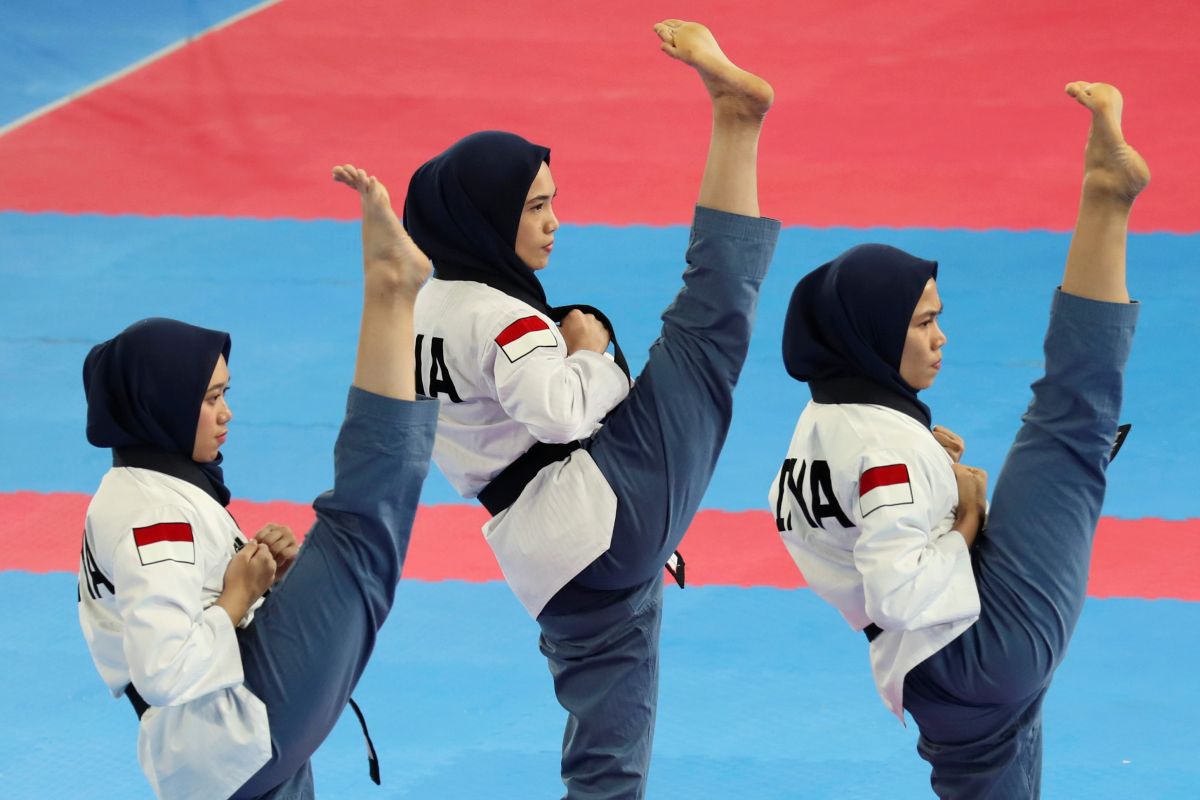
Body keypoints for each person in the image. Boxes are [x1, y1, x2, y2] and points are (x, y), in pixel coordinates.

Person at [402, 19, 779, 798]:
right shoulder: (502, 318)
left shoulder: (423, 308)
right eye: (535, 206)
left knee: (606, 759)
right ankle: (738, 122)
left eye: (553, 202)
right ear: (485, 217)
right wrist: (591, 350)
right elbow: (559, 414)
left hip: (555, 565)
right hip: (608, 510)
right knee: (708, 326)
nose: (553, 222)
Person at [768, 81, 1148, 797]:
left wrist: (934, 490)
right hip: (977, 646)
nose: (941, 340)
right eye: (921, 324)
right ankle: (1105, 195)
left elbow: (851, 544)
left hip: (931, 680)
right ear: (874, 335)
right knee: (1069, 418)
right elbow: (902, 590)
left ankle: (1105, 193)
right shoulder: (884, 450)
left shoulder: (819, 429)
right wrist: (965, 517)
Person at [77, 167, 439, 799]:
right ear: (160, 405)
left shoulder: (150, 493)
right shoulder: (149, 517)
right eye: (211, 397)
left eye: (226, 394)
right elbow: (165, 668)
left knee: (358, 543)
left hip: (220, 748)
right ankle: (390, 289)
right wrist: (237, 600)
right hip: (228, 725)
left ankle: (393, 290)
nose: (227, 414)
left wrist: (267, 581)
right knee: (361, 527)